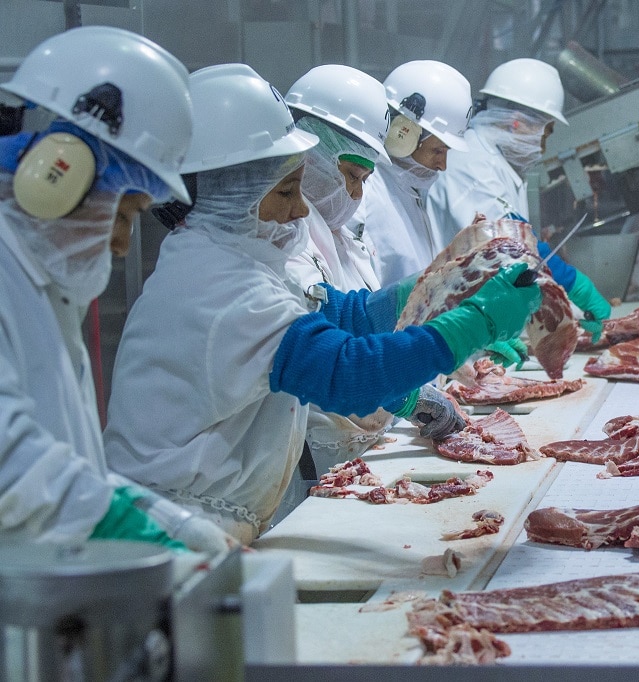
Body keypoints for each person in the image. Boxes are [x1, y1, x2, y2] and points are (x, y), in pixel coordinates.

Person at [103, 64, 541, 545]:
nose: (299, 209)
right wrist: (472, 324)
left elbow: (343, 316)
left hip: (214, 515)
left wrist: (445, 283)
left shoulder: (237, 258)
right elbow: (345, 373)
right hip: (174, 533)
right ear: (236, 194)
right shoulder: (219, 287)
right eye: (286, 191)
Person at [0, 26, 235, 553]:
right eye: (124, 213)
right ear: (58, 175)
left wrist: (168, 520)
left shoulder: (38, 283)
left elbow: (64, 460)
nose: (125, 245)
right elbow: (12, 469)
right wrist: (149, 537)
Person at [283, 64, 465, 468]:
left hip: (358, 440)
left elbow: (353, 315)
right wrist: (404, 391)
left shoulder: (341, 231)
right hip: (314, 445)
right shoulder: (284, 236)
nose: (355, 193)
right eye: (351, 175)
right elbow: (326, 339)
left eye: (364, 179)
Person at [426, 58, 612, 343]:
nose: (544, 144)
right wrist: (574, 284)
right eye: (545, 132)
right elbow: (508, 243)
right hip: (449, 319)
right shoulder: (471, 162)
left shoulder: (497, 163)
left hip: (473, 310)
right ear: (517, 124)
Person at [348, 59, 473, 287]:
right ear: (403, 134)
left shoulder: (411, 191)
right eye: (438, 150)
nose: (443, 165)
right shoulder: (363, 193)